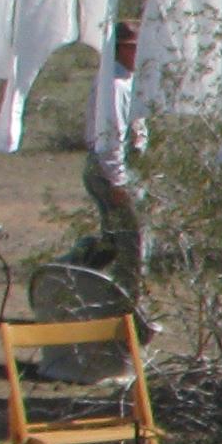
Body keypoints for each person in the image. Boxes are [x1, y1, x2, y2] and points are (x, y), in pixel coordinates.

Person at [84, 17, 149, 294]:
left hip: (117, 167)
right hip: (109, 169)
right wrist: (118, 181)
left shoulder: (125, 81)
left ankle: (88, 280)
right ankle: (126, 299)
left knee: (114, 239)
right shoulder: (114, 85)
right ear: (122, 49)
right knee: (130, 239)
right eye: (135, 47)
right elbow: (110, 136)